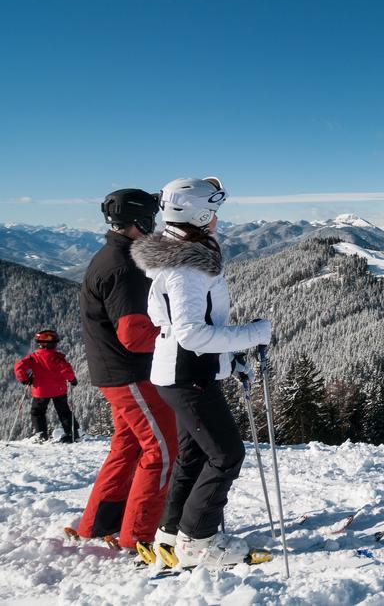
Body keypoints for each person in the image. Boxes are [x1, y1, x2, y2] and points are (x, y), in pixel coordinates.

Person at [131, 177, 272, 569]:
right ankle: (199, 540)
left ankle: (172, 536)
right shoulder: (185, 269)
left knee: (193, 456)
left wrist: (230, 359)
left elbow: (192, 328)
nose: (217, 220)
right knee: (227, 455)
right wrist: (252, 335)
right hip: (186, 374)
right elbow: (192, 333)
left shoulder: (183, 257)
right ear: (198, 213)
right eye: (213, 212)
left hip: (185, 371)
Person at [73, 188, 178, 557]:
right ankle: (140, 534)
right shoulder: (125, 266)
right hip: (130, 374)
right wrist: (177, 335)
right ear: (139, 222)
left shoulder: (110, 254)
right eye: (152, 220)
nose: (156, 227)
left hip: (114, 372)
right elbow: (134, 335)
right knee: (164, 449)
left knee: (127, 445)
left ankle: (98, 523)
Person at [13, 330, 78, 443]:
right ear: (53, 344)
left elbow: (19, 367)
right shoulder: (57, 357)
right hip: (59, 390)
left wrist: (25, 379)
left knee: (37, 412)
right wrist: (72, 380)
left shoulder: (33, 358)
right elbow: (66, 370)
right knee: (64, 412)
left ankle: (41, 436)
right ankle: (72, 434)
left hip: (41, 391)